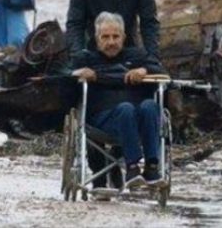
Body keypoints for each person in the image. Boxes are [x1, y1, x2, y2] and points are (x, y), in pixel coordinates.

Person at [70, 12, 165, 187]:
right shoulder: (86, 59)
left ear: (124, 37)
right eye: (105, 37)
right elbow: (61, 74)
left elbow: (162, 73)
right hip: (102, 120)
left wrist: (144, 71)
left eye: (116, 36)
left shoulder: (138, 56)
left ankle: (152, 167)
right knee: (126, 108)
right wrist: (77, 73)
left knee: (150, 105)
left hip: (139, 120)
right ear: (97, 39)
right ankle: (132, 167)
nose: (111, 42)